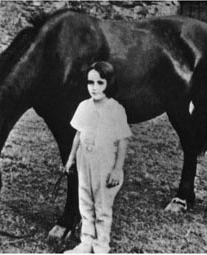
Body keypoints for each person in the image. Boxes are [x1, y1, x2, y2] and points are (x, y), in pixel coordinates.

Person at [63, 61, 132, 253]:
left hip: (105, 163)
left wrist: (117, 169)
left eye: (100, 83)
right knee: (85, 202)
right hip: (84, 160)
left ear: (109, 83)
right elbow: (78, 134)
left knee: (102, 206)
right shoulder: (83, 106)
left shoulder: (115, 109)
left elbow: (123, 141)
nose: (94, 88)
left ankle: (101, 245)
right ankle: (86, 242)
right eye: (90, 82)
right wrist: (70, 159)